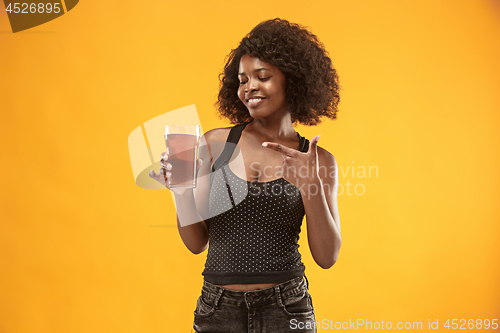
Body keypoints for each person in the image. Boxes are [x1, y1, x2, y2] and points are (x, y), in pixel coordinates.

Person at [149, 18, 341, 333]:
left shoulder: (318, 160)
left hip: (287, 307)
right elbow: (197, 243)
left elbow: (327, 256)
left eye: (262, 77)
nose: (249, 86)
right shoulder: (214, 144)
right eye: (242, 80)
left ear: (292, 80)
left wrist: (311, 187)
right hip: (217, 307)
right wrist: (180, 191)